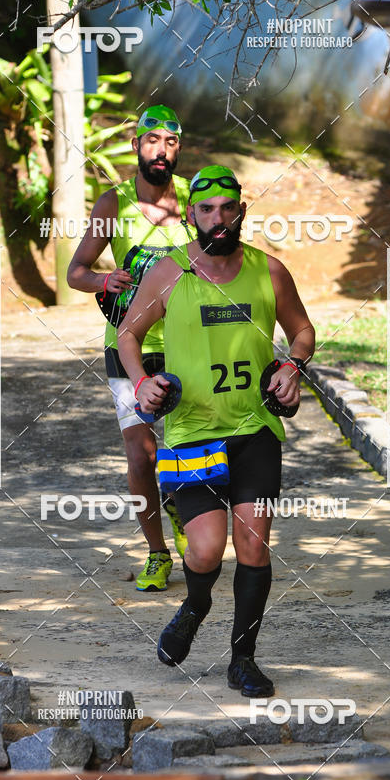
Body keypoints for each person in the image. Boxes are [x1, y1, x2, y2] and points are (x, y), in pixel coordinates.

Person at [117, 165, 315, 697]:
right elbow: (128, 334)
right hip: (189, 434)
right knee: (205, 551)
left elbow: (302, 329)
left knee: (253, 545)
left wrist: (292, 367)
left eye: (227, 208)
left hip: (254, 428)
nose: (218, 219)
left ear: (241, 211)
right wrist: (140, 385)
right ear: (191, 216)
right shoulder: (169, 273)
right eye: (206, 210)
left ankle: (242, 660)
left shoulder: (268, 271)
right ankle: (196, 604)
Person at [67, 105, 194, 592]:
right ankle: (157, 554)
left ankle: (185, 510)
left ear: (177, 149)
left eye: (170, 141)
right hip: (128, 344)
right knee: (142, 454)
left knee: (187, 446)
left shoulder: (193, 202)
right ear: (136, 146)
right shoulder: (112, 205)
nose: (160, 150)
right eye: (151, 140)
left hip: (187, 343)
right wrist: (106, 278)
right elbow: (76, 272)